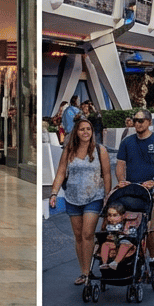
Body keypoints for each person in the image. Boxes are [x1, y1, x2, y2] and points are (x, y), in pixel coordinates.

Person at [49, 117, 111, 284]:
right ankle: (85, 270)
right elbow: (61, 172)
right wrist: (54, 193)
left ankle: (88, 272)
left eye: (88, 129)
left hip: (94, 197)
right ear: (76, 132)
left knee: (87, 233)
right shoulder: (69, 151)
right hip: (73, 198)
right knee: (78, 236)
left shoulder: (100, 150)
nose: (85, 132)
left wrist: (107, 195)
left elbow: (106, 174)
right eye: (82, 129)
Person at [115, 107, 154, 275]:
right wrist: (121, 180)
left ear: (149, 122)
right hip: (132, 193)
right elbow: (120, 165)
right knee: (132, 228)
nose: (137, 124)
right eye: (135, 120)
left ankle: (152, 259)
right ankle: (133, 258)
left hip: (152, 193)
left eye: (141, 121)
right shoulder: (127, 142)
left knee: (151, 229)